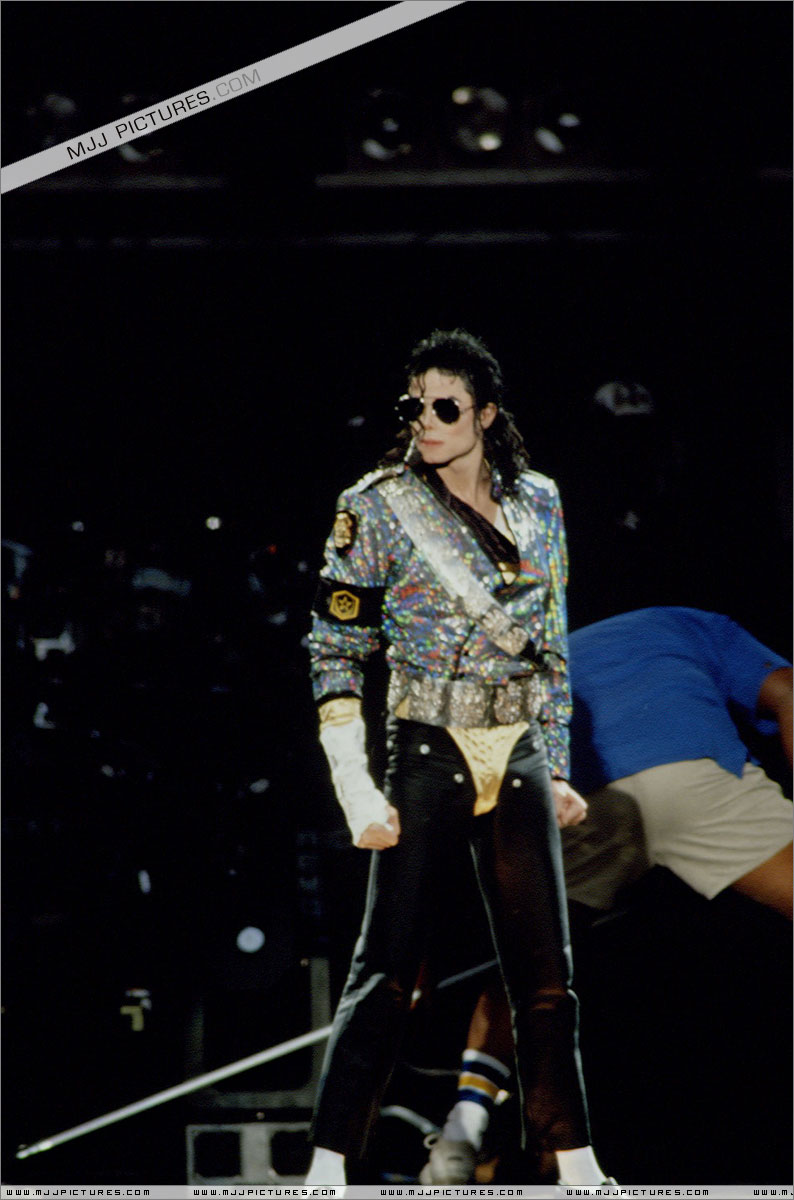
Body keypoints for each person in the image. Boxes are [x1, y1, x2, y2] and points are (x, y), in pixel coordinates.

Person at [303, 329, 613, 1186]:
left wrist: (557, 766)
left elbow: (551, 646)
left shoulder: (540, 501)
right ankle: (327, 1164)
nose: (427, 421)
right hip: (425, 746)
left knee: (546, 977)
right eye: (415, 406)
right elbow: (334, 647)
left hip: (517, 748)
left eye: (446, 406)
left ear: (486, 414)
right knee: (385, 968)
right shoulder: (375, 506)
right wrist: (354, 784)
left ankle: (577, 1161)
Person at [420, 606, 792, 1183]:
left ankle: (460, 1133)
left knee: (527, 970)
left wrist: (417, 951)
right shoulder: (693, 624)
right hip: (688, 770)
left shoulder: (532, 663)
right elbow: (787, 694)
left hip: (578, 798)